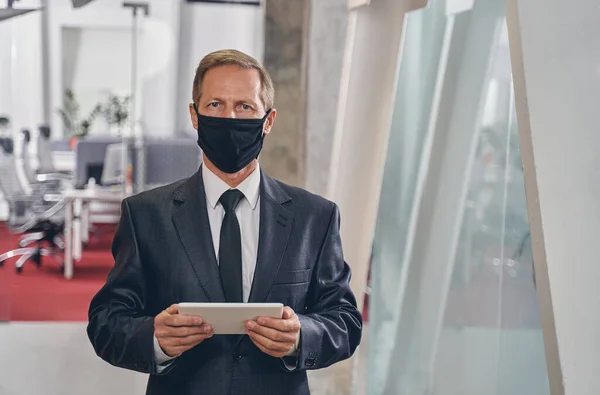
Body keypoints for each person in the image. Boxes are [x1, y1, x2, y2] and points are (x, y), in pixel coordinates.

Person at [87, 49, 362, 395]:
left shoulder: (315, 217)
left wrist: (301, 335)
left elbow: (345, 320)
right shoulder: (145, 215)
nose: (230, 117)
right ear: (195, 115)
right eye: (215, 105)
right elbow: (106, 321)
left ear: (269, 120)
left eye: (244, 106)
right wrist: (155, 338)